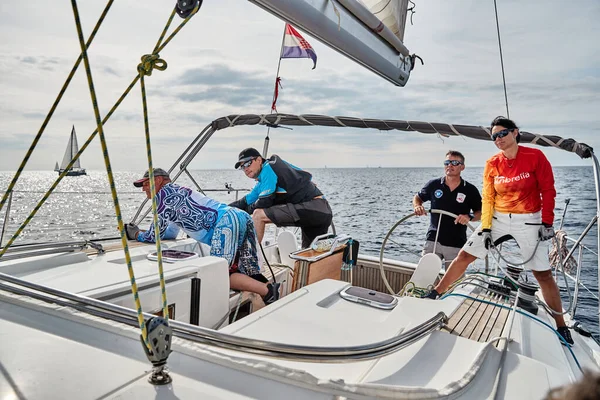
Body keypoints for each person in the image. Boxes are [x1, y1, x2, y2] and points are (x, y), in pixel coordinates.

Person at [425, 117, 573, 345]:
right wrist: (485, 227)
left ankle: (561, 326)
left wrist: (547, 223)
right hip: (498, 218)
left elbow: (548, 190)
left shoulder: (535, 157)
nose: (498, 139)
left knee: (542, 274)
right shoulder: (492, 163)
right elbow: (489, 198)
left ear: (515, 133)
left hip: (530, 219)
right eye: (494, 136)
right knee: (464, 256)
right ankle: (435, 294)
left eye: (502, 134)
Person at [124, 168, 280, 305]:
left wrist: (136, 233)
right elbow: (170, 232)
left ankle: (267, 292)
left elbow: (153, 236)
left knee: (220, 273)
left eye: (145, 184)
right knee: (247, 269)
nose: (144, 189)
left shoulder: (162, 196)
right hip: (240, 216)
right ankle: (272, 292)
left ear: (158, 180)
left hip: (226, 223)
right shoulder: (179, 191)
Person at [229, 148, 333, 249]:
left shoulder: (268, 169)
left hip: (314, 208)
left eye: (247, 163)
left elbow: (264, 202)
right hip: (319, 210)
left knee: (258, 215)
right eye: (242, 167)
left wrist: (244, 211)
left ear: (259, 160)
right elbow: (244, 202)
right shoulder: (262, 182)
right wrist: (224, 210)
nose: (246, 168)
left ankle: (251, 259)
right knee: (309, 256)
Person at [413, 150, 482, 269]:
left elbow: (480, 213)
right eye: (447, 162)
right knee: (424, 276)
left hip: (456, 242)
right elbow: (417, 198)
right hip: (433, 239)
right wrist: (417, 206)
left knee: (453, 282)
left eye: (454, 162)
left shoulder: (470, 190)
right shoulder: (433, 185)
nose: (450, 165)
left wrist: (469, 217)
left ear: (462, 167)